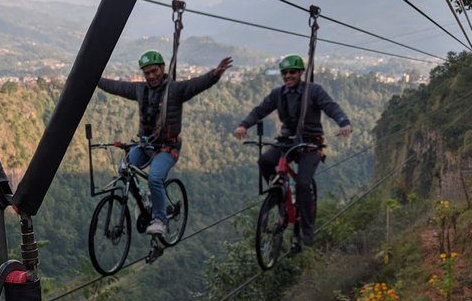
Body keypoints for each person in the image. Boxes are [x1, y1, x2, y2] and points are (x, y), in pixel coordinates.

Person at [98, 50, 233, 234]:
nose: (151, 76)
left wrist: (215, 74)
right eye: (147, 73)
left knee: (155, 178)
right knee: (123, 169)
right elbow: (117, 87)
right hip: (146, 145)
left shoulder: (175, 90)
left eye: (155, 71)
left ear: (162, 68)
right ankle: (144, 199)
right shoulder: (140, 90)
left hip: (167, 148)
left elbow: (195, 85)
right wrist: (95, 79)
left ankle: (160, 220)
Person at [233, 54, 352, 250]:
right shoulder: (278, 94)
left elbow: (331, 107)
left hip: (310, 142)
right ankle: (278, 194)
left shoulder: (313, 91)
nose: (288, 76)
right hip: (287, 140)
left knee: (304, 184)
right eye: (285, 73)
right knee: (264, 161)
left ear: (300, 73)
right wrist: (244, 125)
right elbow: (260, 110)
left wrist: (344, 123)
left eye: (292, 72)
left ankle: (306, 227)